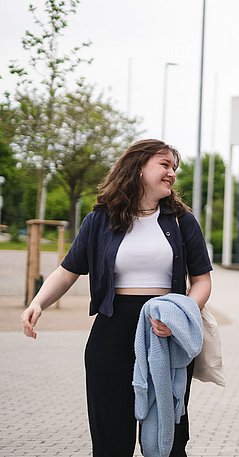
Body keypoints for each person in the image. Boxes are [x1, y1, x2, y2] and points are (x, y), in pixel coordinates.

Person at [20, 139, 213, 457]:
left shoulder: (182, 220)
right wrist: (37, 303)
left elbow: (202, 281)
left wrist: (181, 315)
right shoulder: (101, 219)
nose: (172, 174)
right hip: (111, 333)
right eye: (164, 165)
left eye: (174, 168)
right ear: (138, 168)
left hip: (164, 334)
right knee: (111, 439)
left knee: (168, 438)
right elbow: (68, 271)